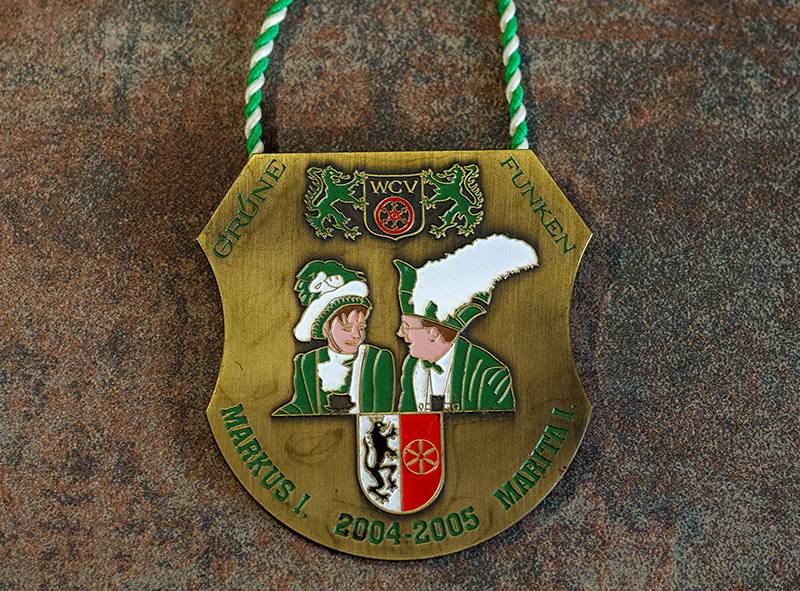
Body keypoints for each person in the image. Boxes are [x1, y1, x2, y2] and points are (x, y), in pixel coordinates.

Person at [393, 234, 538, 413]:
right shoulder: (412, 365)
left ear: (433, 333)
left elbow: (502, 427)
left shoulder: (490, 375)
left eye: (407, 327)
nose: (400, 333)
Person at [273, 261, 394, 416]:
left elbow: (385, 412)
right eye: (347, 328)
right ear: (325, 329)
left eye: (361, 327)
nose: (357, 335)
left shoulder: (377, 360)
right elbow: (301, 406)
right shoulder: (307, 362)